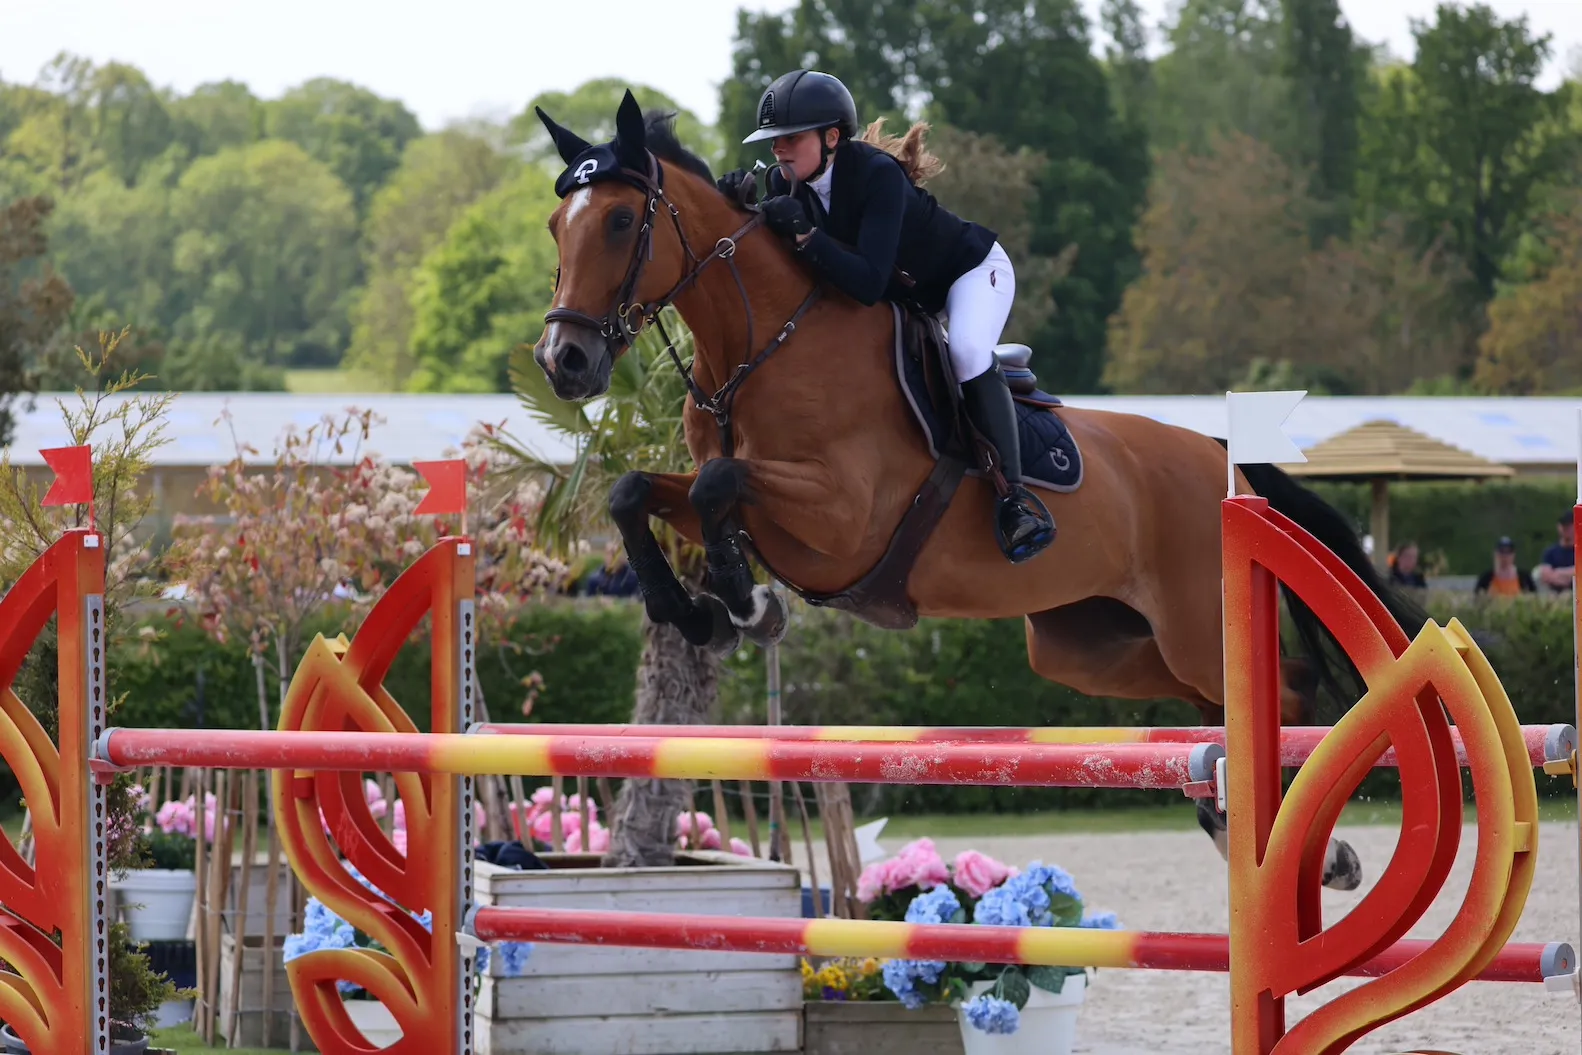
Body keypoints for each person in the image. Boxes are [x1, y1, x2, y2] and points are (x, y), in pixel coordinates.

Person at [715, 69, 1055, 565]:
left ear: (832, 137)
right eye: (773, 143)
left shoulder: (876, 175)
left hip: (970, 274)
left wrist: (808, 237)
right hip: (909, 299)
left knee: (964, 352)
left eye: (790, 139)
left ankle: (1015, 499)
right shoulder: (791, 186)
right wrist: (738, 208)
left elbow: (868, 283)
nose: (779, 152)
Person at [1535, 513, 1575, 594]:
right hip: (1553, 593)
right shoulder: (1550, 552)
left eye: (1569, 526)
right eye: (1563, 525)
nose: (1566, 528)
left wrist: (1559, 572)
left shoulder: (1579, 551)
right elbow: (1546, 574)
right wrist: (1567, 576)